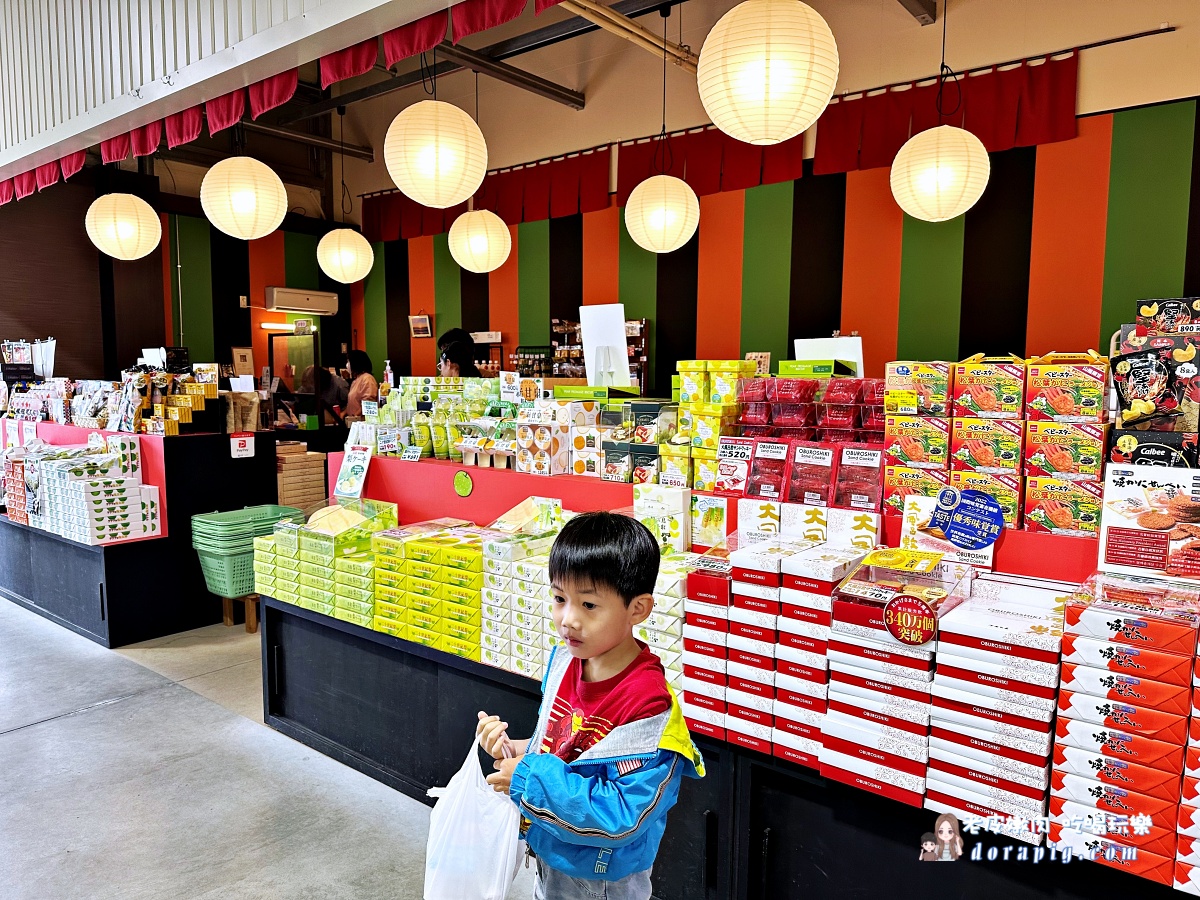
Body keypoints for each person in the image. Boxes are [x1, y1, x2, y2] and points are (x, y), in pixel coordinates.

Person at [476, 512, 704, 900]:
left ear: (639, 608)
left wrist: (528, 777)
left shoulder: (647, 706)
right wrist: (516, 749)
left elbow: (621, 818)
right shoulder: (565, 661)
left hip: (602, 875)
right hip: (553, 848)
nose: (569, 620)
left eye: (589, 605)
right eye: (560, 599)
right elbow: (570, 745)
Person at [344, 349, 378, 418]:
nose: (347, 364)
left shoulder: (367, 379)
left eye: (349, 361)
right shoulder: (356, 380)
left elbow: (368, 403)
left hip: (361, 423)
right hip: (353, 422)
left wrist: (355, 416)